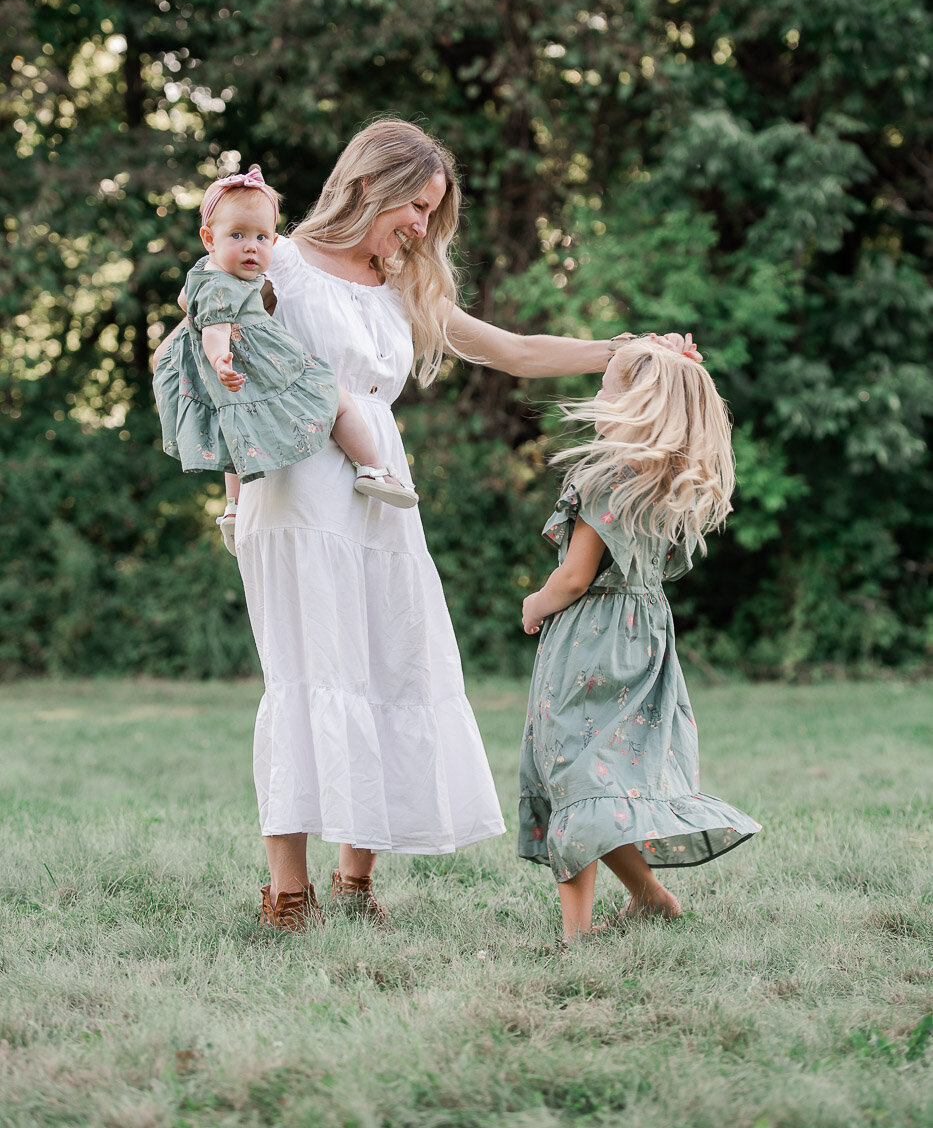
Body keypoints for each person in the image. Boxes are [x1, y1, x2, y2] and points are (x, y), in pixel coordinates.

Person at [154, 117, 628, 933]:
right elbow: (197, 340)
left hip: (382, 491)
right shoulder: (279, 261)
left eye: (431, 212)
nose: (421, 224)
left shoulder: (404, 284)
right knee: (307, 674)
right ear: (369, 184)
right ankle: (288, 893)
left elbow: (512, 351)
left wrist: (623, 350)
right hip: (296, 490)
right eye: (415, 205)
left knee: (388, 666)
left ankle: (356, 881)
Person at [518, 334, 761, 945]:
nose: (597, 398)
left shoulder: (603, 476)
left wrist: (535, 603)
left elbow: (575, 577)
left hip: (590, 638)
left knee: (575, 775)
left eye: (606, 388)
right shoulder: (667, 481)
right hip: (645, 637)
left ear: (637, 405)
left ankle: (576, 934)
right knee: (604, 776)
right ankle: (652, 897)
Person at [153, 167, 417, 555]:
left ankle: (233, 508)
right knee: (335, 398)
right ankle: (373, 468)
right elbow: (213, 328)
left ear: (274, 241)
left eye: (261, 237)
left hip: (242, 372)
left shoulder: (207, 275)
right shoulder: (221, 286)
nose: (251, 247)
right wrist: (220, 359)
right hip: (265, 364)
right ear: (209, 239)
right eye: (237, 235)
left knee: (237, 432)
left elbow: (186, 303)